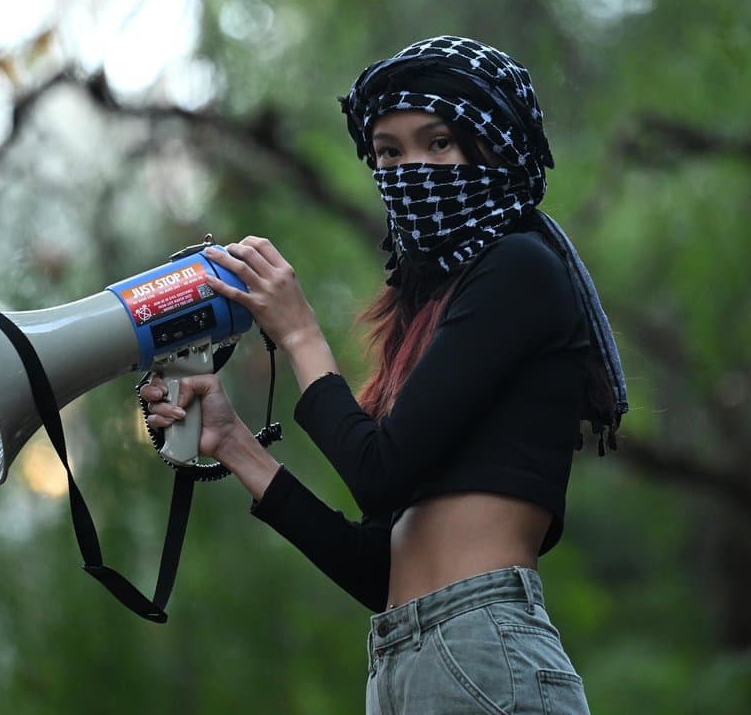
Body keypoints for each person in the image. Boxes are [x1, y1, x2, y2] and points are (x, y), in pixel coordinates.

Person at [140, 35, 627, 714]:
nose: (410, 170)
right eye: (389, 153)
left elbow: (378, 472)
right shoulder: (430, 314)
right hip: (409, 655)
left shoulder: (519, 269)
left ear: (497, 150)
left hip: (480, 645)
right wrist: (232, 443)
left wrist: (300, 334)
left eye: (438, 143)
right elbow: (378, 570)